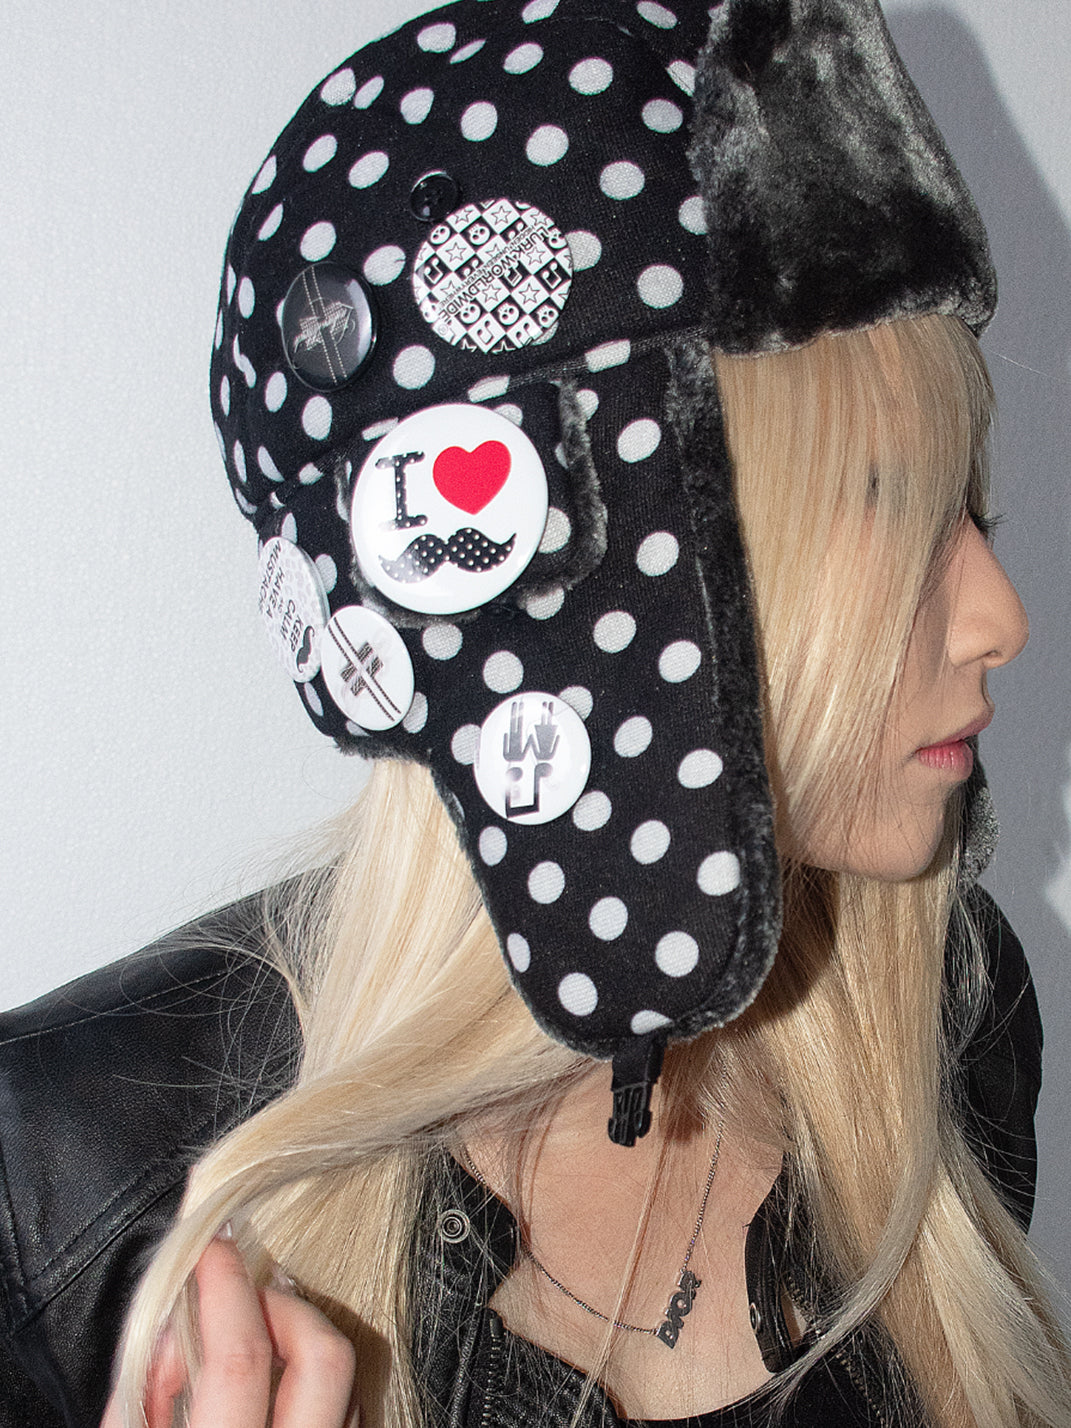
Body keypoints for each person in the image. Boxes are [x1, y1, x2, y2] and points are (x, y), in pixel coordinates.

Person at [2, 1, 1069, 1425]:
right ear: (582, 578)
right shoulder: (59, 1191)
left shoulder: (944, 1018)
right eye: (888, 506)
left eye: (972, 511)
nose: (1002, 617)